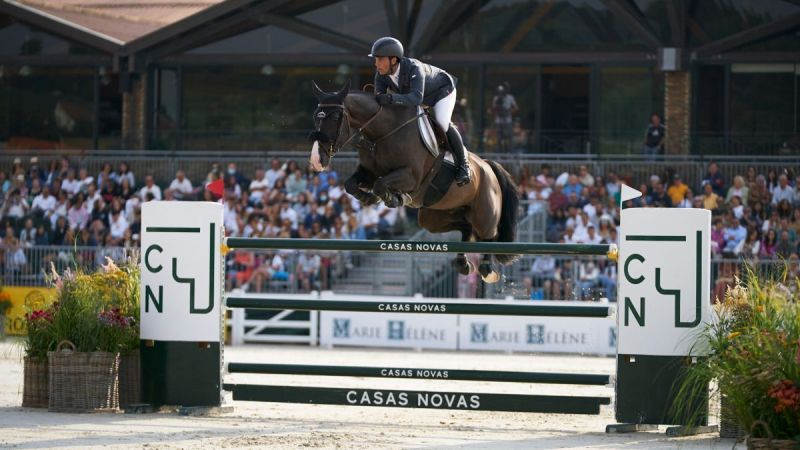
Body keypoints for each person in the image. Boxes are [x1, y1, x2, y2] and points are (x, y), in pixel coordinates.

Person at [370, 37, 470, 186]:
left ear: (393, 60)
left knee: (442, 122)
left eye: (380, 59)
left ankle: (463, 165)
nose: (376, 64)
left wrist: (390, 98)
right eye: (375, 60)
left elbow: (416, 98)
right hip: (419, 97)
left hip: (442, 91)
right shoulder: (381, 75)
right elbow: (380, 102)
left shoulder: (413, 68)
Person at [490, 83, 518, 153]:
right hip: (498, 120)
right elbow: (493, 109)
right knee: (499, 138)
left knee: (509, 137)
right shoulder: (496, 98)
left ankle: (511, 151)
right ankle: (499, 152)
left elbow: (516, 108)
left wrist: (508, 112)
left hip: (508, 120)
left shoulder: (510, 97)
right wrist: (497, 111)